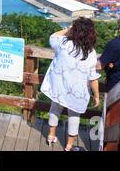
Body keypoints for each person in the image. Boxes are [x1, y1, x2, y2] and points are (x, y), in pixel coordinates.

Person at [40, 18, 100, 151]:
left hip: (59, 87)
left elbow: (53, 36)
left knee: (54, 109)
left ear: (75, 30)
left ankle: (51, 136)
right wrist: (96, 95)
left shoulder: (62, 43)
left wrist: (68, 29)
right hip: (77, 92)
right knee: (74, 116)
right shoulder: (91, 53)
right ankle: (69, 146)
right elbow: (93, 78)